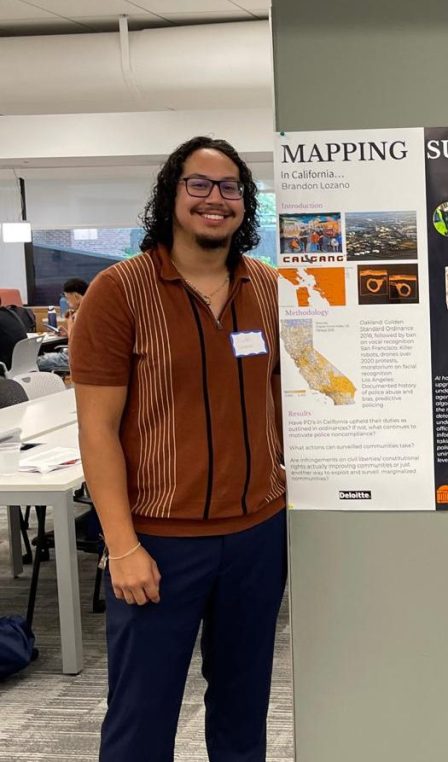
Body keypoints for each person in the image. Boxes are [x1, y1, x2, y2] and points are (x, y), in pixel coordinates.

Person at [71, 136, 286, 762]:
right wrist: (122, 546)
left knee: (244, 712)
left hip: (256, 535)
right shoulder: (120, 291)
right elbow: (96, 430)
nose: (215, 200)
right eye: (199, 184)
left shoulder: (268, 289)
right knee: (142, 717)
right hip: (158, 543)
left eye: (230, 188)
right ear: (172, 195)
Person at [38, 277, 89, 373]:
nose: (66, 301)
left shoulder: (80, 315)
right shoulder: (90, 309)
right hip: (81, 357)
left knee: (34, 362)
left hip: (75, 359)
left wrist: (70, 323)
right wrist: (67, 333)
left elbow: (77, 343)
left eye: (67, 297)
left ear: (76, 296)